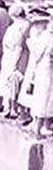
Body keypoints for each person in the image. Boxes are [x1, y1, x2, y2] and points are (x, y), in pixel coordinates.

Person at [0, 3, 30, 119]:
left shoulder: (23, 26)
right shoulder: (15, 26)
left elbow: (19, 47)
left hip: (17, 56)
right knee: (9, 81)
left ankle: (14, 108)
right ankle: (10, 106)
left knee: (14, 80)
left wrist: (14, 64)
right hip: (9, 55)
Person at [30, 8, 53, 139]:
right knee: (43, 95)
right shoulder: (46, 36)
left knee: (47, 96)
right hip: (44, 68)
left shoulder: (46, 36)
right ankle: (38, 126)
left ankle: (44, 125)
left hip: (47, 68)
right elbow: (37, 54)